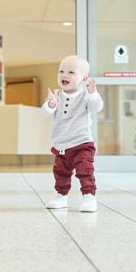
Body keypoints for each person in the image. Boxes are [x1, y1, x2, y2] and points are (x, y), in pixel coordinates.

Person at [41, 55, 103, 212]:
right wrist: (50, 104)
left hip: (82, 143)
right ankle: (61, 196)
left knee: (85, 170)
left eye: (71, 72)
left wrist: (93, 94)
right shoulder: (56, 95)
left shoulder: (86, 95)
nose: (64, 75)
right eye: (61, 71)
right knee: (61, 172)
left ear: (83, 79)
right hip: (61, 145)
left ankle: (89, 197)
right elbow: (47, 112)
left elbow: (97, 107)